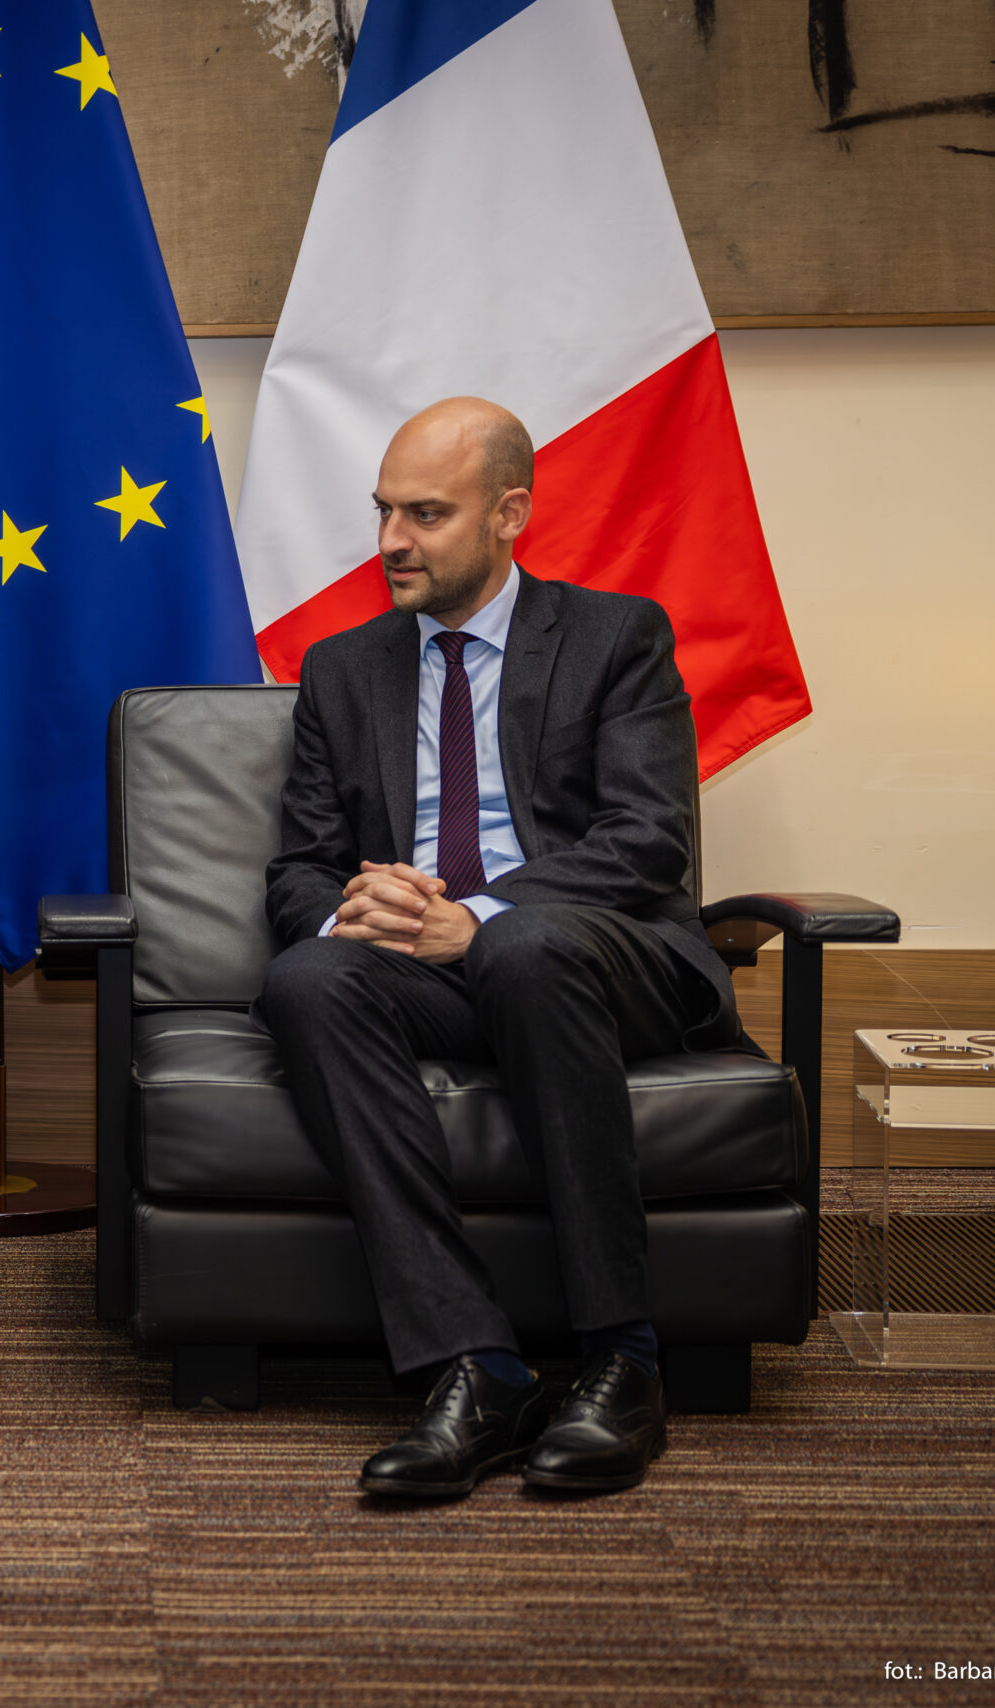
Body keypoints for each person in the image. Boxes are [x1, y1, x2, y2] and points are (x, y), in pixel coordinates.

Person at [256, 396, 743, 1501]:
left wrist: (476, 915)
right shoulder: (343, 668)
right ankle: (473, 1364)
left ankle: (623, 1357)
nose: (390, 541)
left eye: (425, 513)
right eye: (383, 511)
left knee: (525, 950)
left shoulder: (617, 636)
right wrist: (358, 907)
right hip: (431, 972)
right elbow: (296, 866)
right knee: (307, 978)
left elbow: (646, 840)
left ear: (509, 514)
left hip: (603, 959)